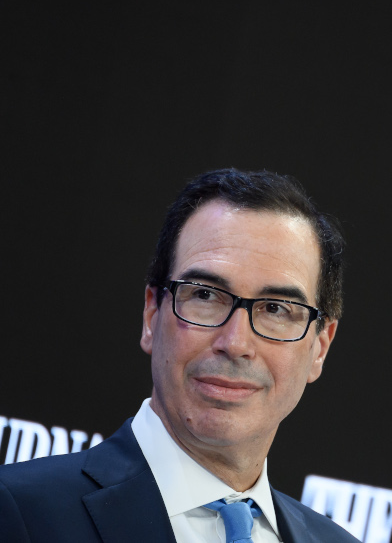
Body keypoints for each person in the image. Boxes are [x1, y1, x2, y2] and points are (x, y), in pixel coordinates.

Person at [0, 168, 358, 543]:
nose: (235, 343)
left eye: (276, 309)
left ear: (320, 346)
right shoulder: (21, 514)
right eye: (204, 295)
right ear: (151, 315)